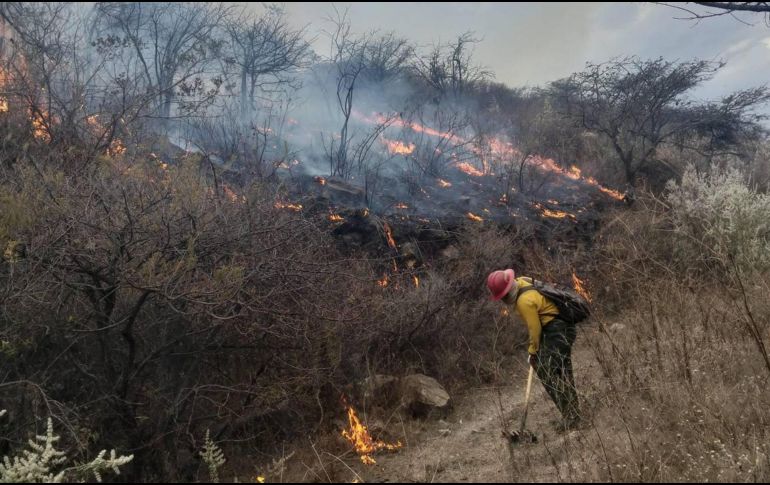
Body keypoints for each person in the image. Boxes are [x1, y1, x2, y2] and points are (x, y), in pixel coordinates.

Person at [487, 268, 581, 431]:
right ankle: (572, 414)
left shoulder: (523, 301)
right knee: (562, 369)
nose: (503, 300)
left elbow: (534, 329)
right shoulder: (522, 281)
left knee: (546, 370)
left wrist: (533, 351)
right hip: (561, 327)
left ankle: (571, 416)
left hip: (557, 330)